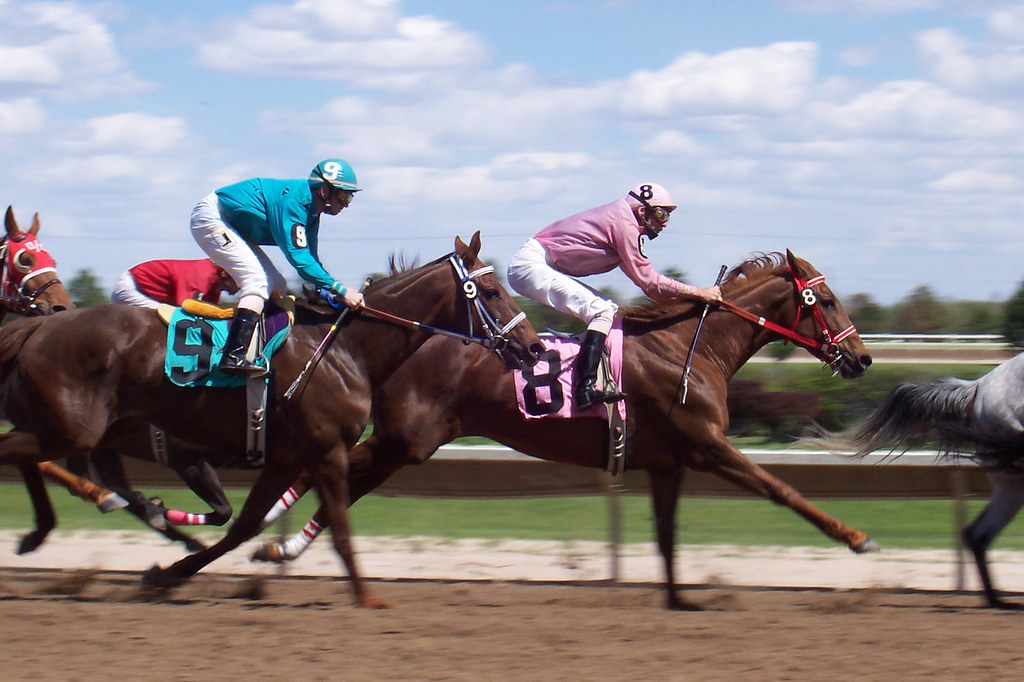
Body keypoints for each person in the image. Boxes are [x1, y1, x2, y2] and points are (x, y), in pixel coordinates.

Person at [507, 182, 723, 410]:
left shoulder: (621, 220)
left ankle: (583, 370)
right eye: (661, 214)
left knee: (608, 308)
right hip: (530, 265)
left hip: (535, 263)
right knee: (602, 310)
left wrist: (689, 300)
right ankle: (584, 388)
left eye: (668, 216)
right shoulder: (625, 224)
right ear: (643, 211)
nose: (665, 223)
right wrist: (698, 292)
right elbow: (650, 282)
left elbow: (651, 289)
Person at [189, 158, 366, 375]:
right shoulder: (294, 203)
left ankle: (260, 347)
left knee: (278, 285)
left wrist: (329, 292)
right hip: (212, 217)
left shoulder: (311, 212)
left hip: (232, 225)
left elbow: (311, 259)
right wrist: (341, 289)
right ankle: (233, 355)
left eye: (349, 197)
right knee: (257, 282)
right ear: (323, 191)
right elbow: (301, 262)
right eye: (343, 195)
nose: (346, 203)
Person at [111, 258, 239, 310]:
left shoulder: (214, 285)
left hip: (145, 292)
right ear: (226, 274)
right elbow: (187, 308)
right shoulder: (203, 274)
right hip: (132, 288)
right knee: (173, 318)